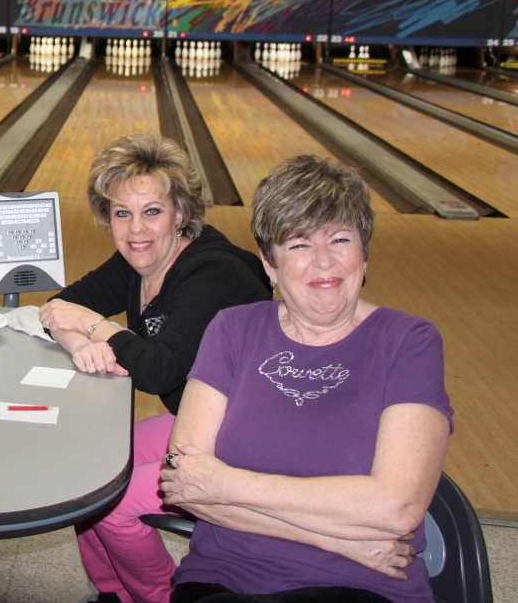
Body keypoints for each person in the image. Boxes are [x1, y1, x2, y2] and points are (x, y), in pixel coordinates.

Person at [160, 155, 453, 603]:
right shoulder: (232, 329)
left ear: (365, 251)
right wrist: (335, 538)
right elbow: (186, 487)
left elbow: (397, 508)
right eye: (298, 244)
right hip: (225, 572)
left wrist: (227, 484)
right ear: (269, 263)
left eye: (340, 239)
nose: (324, 263)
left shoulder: (408, 341)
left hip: (361, 584)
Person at [39, 133, 269, 603]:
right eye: (122, 213)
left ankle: (161, 596)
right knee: (85, 475)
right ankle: (111, 592)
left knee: (115, 503)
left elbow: (160, 370)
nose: (135, 229)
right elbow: (61, 305)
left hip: (248, 436)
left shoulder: (212, 273)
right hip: (198, 421)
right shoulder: (139, 258)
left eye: (152, 211)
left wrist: (95, 326)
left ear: (181, 214)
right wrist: (76, 336)